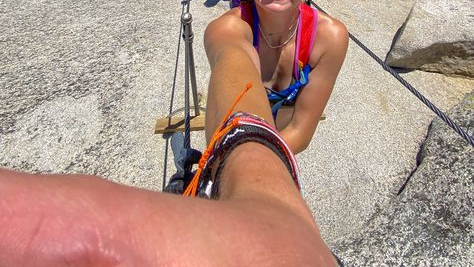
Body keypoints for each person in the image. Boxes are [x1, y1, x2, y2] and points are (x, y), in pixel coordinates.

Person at [0, 38, 338, 266]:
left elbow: (300, 134)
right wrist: (258, 164)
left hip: (262, 136)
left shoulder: (327, 36)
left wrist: (249, 155)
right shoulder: (232, 28)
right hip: (261, 138)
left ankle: (195, 162)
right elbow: (233, 51)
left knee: (190, 166)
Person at [204, 0, 349, 154]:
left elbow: (301, 129)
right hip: (252, 151)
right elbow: (232, 60)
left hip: (280, 147)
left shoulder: (330, 37)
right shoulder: (227, 29)